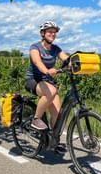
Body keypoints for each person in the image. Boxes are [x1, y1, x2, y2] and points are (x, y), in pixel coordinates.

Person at [24, 21, 69, 153]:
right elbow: (37, 62)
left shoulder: (55, 48)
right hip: (34, 80)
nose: (53, 34)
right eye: (50, 32)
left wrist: (76, 63)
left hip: (47, 82)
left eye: (54, 32)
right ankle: (36, 119)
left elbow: (65, 58)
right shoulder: (35, 47)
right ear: (43, 34)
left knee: (57, 113)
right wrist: (47, 71)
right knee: (52, 91)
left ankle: (53, 141)